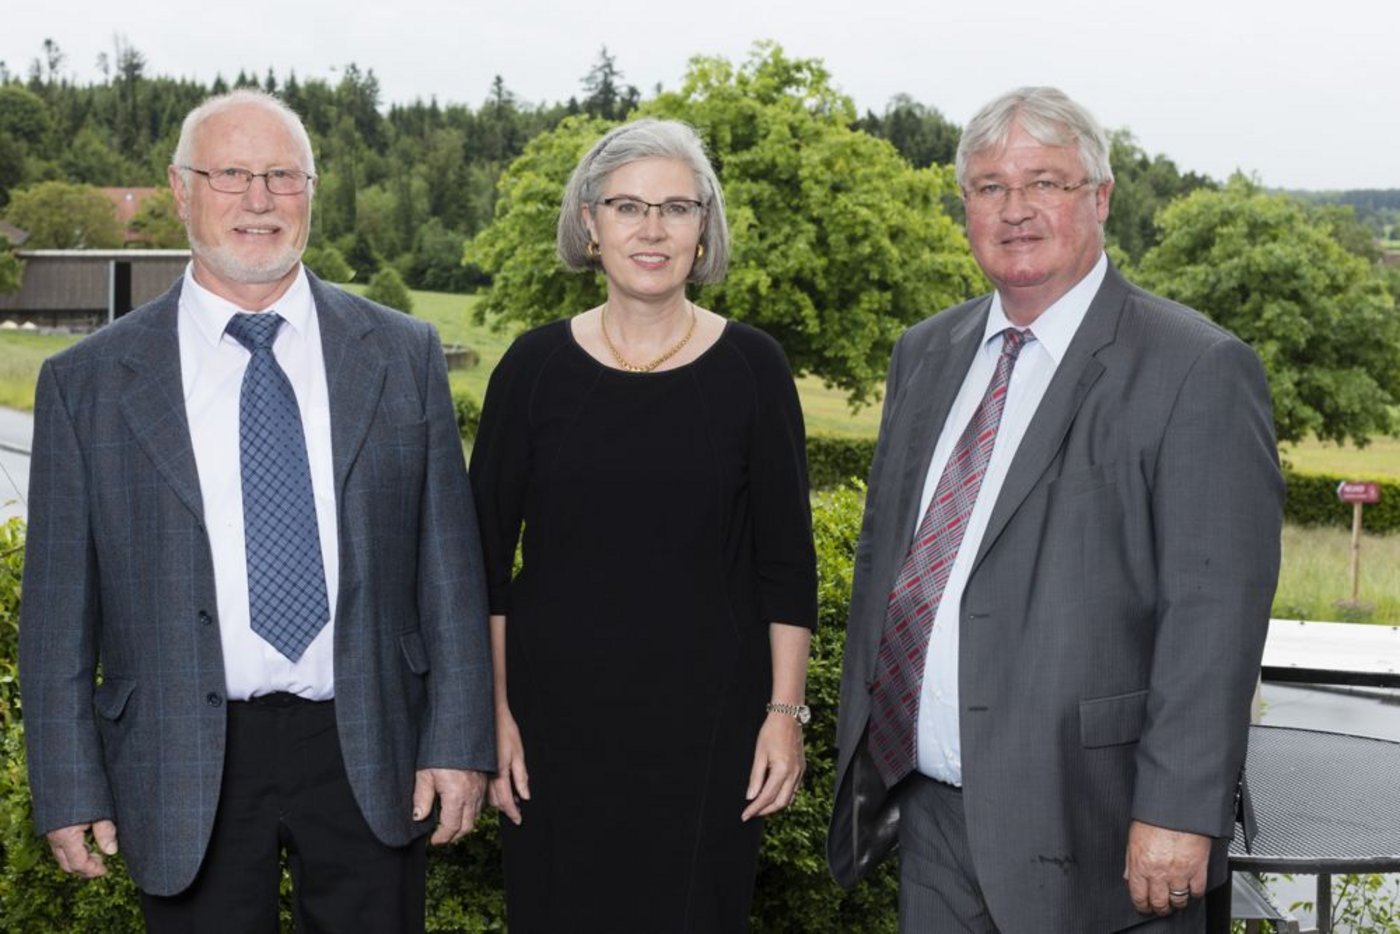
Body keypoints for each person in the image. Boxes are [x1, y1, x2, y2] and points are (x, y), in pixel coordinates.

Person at [19, 89, 494, 932]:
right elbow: (57, 613)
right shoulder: (85, 382)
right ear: (180, 188)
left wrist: (458, 740)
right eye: (231, 174)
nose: (259, 199)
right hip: (180, 752)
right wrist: (67, 781)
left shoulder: (402, 353)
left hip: (369, 741)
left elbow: (449, 571)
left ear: (312, 190)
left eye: (282, 175)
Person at [827, 87, 1283, 933]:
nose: (1016, 209)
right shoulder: (924, 353)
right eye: (990, 186)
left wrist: (1180, 812)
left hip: (1100, 836)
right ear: (965, 205)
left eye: (1045, 182)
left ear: (1100, 197)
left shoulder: (1196, 368)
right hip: (932, 824)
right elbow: (894, 561)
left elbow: (1214, 614)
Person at [470, 118, 818, 933]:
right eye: (627, 206)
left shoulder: (755, 369)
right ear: (589, 223)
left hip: (712, 732)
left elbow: (786, 565)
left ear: (704, 228)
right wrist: (493, 714)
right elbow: (480, 562)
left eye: (676, 208)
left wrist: (785, 717)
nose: (652, 229)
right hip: (551, 732)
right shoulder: (532, 368)